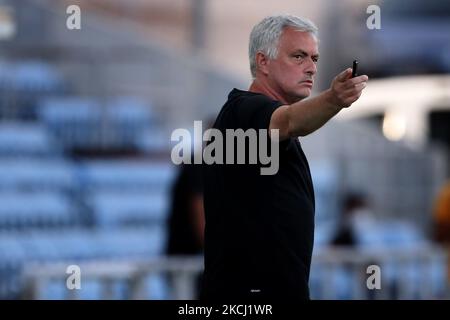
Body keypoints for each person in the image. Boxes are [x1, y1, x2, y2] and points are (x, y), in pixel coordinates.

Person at [201, 15, 368, 301]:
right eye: (299, 56)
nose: (312, 68)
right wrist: (334, 98)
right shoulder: (245, 109)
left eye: (315, 58)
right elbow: (289, 122)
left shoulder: (262, 116)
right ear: (263, 62)